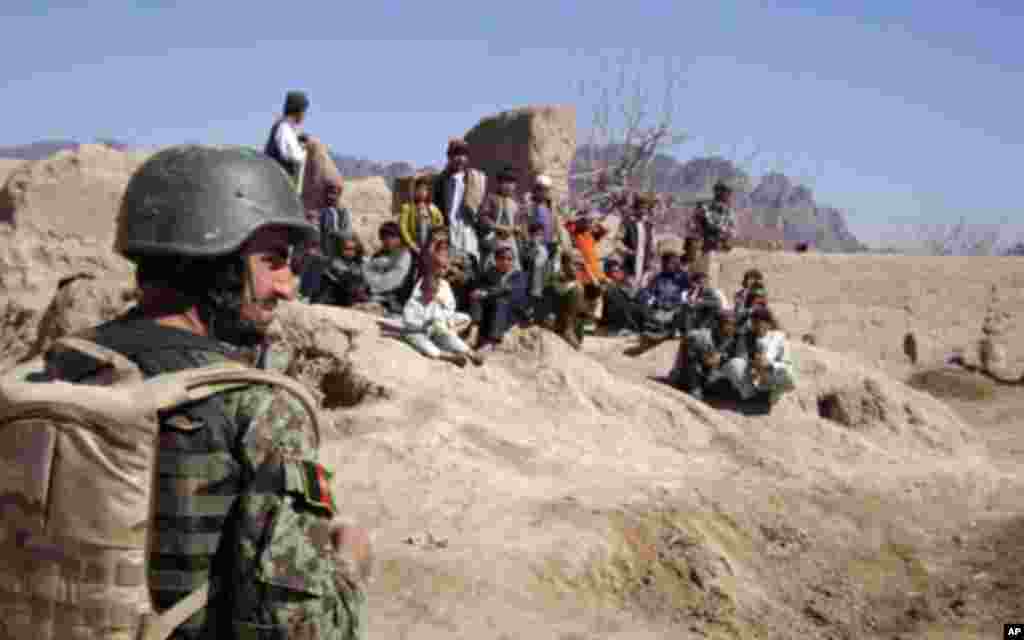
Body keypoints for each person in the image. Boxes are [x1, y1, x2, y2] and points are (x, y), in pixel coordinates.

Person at [38, 146, 370, 639]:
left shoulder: (61, 365)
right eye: (274, 261)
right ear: (218, 262)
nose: (287, 287)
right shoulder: (259, 407)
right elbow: (299, 630)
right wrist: (349, 565)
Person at [401, 234, 485, 367]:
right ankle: (450, 357)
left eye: (444, 267)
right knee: (426, 345)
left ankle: (470, 353)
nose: (442, 270)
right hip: (419, 331)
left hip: (439, 326)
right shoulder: (420, 291)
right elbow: (409, 321)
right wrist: (426, 323)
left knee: (460, 323)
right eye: (439, 267)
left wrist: (442, 315)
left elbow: (450, 308)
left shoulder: (444, 284)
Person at [722, 306, 796, 413]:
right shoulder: (747, 337)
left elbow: (786, 364)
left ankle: (768, 397)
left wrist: (770, 364)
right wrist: (753, 364)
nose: (758, 324)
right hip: (752, 379)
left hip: (771, 380)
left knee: (785, 372)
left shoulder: (778, 338)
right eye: (755, 321)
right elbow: (741, 360)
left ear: (769, 323)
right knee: (734, 364)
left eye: (761, 321)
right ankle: (751, 397)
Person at [433, 138, 487, 278]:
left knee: (469, 263)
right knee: (450, 264)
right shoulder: (441, 181)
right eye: (456, 155)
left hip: (468, 228)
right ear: (449, 157)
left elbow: (480, 205)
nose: (460, 159)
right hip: (449, 228)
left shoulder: (475, 178)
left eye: (463, 155)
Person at [669, 308, 747, 401]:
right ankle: (695, 388)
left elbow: (741, 360)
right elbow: (691, 362)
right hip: (687, 377)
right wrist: (695, 387)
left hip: (711, 376)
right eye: (728, 323)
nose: (731, 327)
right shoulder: (700, 337)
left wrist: (722, 358)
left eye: (734, 324)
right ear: (717, 324)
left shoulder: (735, 338)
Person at [463, 245, 529, 351]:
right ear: (496, 260)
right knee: (476, 295)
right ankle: (473, 331)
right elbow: (481, 287)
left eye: (509, 259)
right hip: (490, 311)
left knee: (501, 301)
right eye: (502, 258)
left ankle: (492, 341)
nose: (505, 262)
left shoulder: (519, 276)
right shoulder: (490, 273)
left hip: (511, 313)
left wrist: (487, 293)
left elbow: (508, 290)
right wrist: (480, 292)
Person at [689, 180, 737, 284]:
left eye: (729, 193)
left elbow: (732, 232)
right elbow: (692, 226)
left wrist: (725, 235)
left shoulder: (729, 212)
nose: (729, 196)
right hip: (702, 251)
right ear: (718, 192)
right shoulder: (704, 207)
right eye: (726, 192)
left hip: (719, 252)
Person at [363, 221, 414, 314]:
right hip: (376, 297)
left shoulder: (404, 255)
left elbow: (395, 280)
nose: (387, 241)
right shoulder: (378, 255)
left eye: (391, 237)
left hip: (396, 300)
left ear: (399, 238)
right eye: (384, 238)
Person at [479, 167, 523, 271]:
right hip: (494, 240)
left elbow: (519, 222)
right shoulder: (491, 198)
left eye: (511, 183)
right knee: (492, 268)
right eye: (505, 182)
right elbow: (483, 217)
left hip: (511, 242)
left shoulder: (516, 202)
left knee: (513, 269)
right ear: (498, 183)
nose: (508, 186)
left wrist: (517, 228)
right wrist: (498, 227)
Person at [264, 91, 310, 186]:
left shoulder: (288, 128)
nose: (304, 115)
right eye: (304, 111)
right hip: (276, 184)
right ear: (298, 111)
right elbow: (295, 156)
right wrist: (308, 150)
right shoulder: (284, 128)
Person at [315, 232, 371, 307]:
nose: (350, 252)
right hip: (332, 302)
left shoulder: (358, 264)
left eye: (353, 249)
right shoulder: (334, 263)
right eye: (347, 249)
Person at [615, 192, 658, 289]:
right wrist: (627, 251)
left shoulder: (649, 225)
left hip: (644, 266)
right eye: (640, 207)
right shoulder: (627, 223)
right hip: (630, 265)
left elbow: (653, 246)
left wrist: (652, 259)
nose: (643, 210)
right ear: (635, 208)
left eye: (645, 208)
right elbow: (617, 241)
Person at [600, 257, 651, 336]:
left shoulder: (625, 284)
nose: (619, 272)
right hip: (616, 323)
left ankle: (647, 326)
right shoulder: (609, 288)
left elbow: (636, 298)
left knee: (641, 296)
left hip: (630, 320)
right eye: (615, 271)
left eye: (620, 270)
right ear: (608, 274)